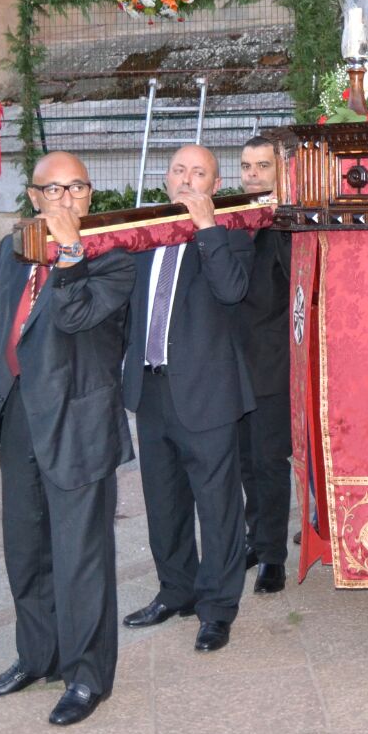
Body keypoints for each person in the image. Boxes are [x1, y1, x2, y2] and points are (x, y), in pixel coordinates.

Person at [0, 151, 133, 728]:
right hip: (19, 418)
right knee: (27, 551)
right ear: (35, 198)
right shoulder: (13, 250)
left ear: (91, 196)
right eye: (55, 190)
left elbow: (76, 316)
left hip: (79, 423)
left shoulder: (115, 254)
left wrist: (70, 255)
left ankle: (87, 677)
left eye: (79, 188)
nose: (68, 200)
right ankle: (37, 656)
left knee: (82, 557)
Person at [120, 145, 255, 653]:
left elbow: (231, 292)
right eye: (179, 170)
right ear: (165, 177)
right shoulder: (144, 234)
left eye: (199, 173)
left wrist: (206, 229)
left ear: (215, 185)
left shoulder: (233, 234)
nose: (186, 180)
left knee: (217, 507)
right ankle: (174, 590)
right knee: (163, 501)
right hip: (151, 389)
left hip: (207, 393)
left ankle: (216, 609)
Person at [237, 135, 294, 594]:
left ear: (281, 171)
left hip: (271, 361)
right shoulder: (233, 219)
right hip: (230, 361)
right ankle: (256, 539)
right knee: (242, 462)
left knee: (269, 460)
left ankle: (273, 556)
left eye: (262, 166)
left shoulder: (285, 224)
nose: (253, 174)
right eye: (246, 166)